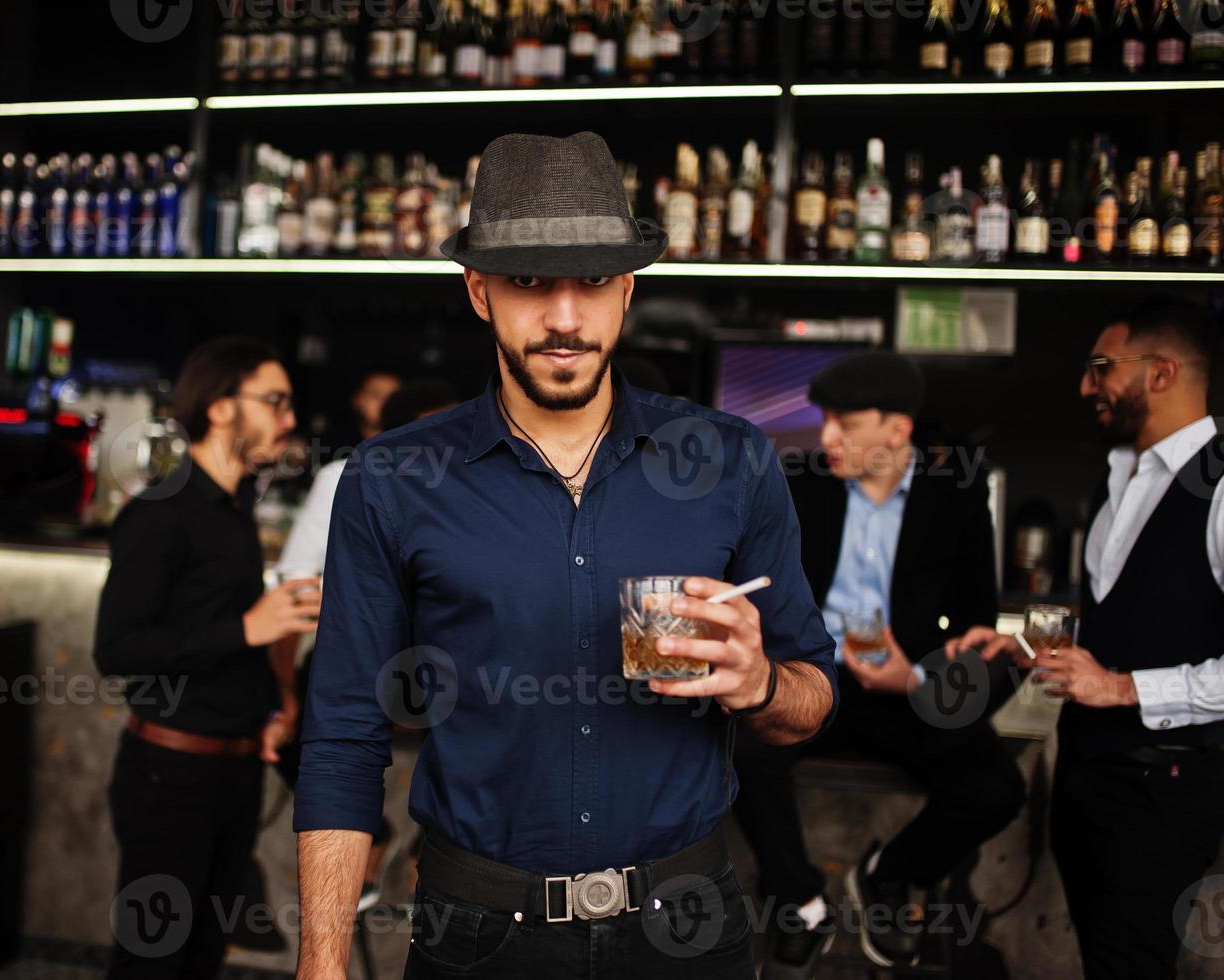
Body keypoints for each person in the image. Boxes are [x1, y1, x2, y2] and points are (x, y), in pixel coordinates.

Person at [292, 131, 838, 980]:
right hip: (479, 935)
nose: (562, 318)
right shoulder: (391, 478)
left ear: (626, 290)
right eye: (525, 283)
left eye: (590, 282)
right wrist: (321, 965)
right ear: (477, 291)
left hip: (686, 929)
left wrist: (760, 682)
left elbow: (811, 697)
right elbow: (342, 736)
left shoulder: (731, 462)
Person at [948, 300, 1224, 980]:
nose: (1084, 386)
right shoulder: (1120, 477)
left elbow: (1130, 668)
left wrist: (1120, 687)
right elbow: (1128, 622)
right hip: (1086, 776)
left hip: (1164, 785)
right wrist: (1033, 652)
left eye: (1100, 368)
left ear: (1160, 373)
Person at [733, 351, 1025, 976]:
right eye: (825, 421)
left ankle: (886, 876)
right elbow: (758, 584)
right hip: (817, 676)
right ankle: (801, 903)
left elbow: (978, 620)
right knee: (741, 746)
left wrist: (915, 675)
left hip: (904, 687)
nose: (827, 437)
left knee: (996, 788)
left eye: (845, 423)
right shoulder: (801, 480)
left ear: (898, 429)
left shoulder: (957, 496)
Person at [94, 336, 323, 980]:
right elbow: (117, 649)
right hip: (169, 774)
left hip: (235, 770)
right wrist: (248, 628)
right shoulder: (160, 512)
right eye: (274, 402)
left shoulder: (235, 508)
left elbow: (221, 635)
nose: (288, 419)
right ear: (222, 407)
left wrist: (273, 703)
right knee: (151, 962)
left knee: (200, 962)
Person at [273, 379, 460, 910]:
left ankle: (431, 854)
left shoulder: (478, 487)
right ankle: (374, 843)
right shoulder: (349, 477)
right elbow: (294, 581)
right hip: (364, 665)